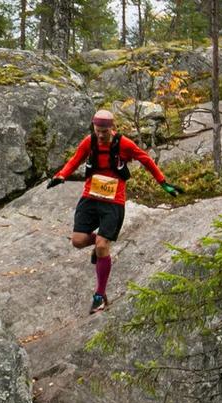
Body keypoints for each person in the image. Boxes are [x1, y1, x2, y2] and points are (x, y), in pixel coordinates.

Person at [48, 110, 181, 314]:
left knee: (102, 245)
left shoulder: (124, 144)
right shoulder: (89, 142)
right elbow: (75, 160)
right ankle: (100, 246)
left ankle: (100, 296)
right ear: (93, 127)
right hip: (90, 198)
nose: (101, 135)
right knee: (77, 241)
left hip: (113, 202)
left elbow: (146, 160)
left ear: (113, 127)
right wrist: (61, 175)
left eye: (105, 130)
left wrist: (164, 183)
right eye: (98, 130)